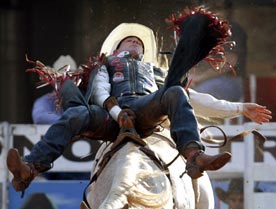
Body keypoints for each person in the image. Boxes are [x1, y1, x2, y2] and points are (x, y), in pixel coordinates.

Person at [6, 13, 272, 194]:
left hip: (147, 110)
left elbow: (196, 100)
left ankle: (195, 157)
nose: (135, 42)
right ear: (117, 48)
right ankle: (30, 168)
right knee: (75, 114)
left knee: (176, 92)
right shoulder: (105, 65)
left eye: (139, 42)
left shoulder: (155, 72)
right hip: (110, 114)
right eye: (129, 40)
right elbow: (99, 90)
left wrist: (239, 108)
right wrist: (117, 112)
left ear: (145, 52)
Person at [191, 1, 247, 102]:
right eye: (210, 8)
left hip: (229, 82)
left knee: (194, 97)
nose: (213, 12)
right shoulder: (208, 31)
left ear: (228, 11)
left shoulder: (232, 30)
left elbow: (229, 62)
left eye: (218, 8)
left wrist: (199, 78)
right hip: (206, 80)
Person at [32, 55, 77, 124]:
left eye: (70, 78)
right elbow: (39, 117)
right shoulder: (45, 101)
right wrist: (68, 121)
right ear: (53, 80)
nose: (65, 82)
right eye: (60, 79)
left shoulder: (82, 100)